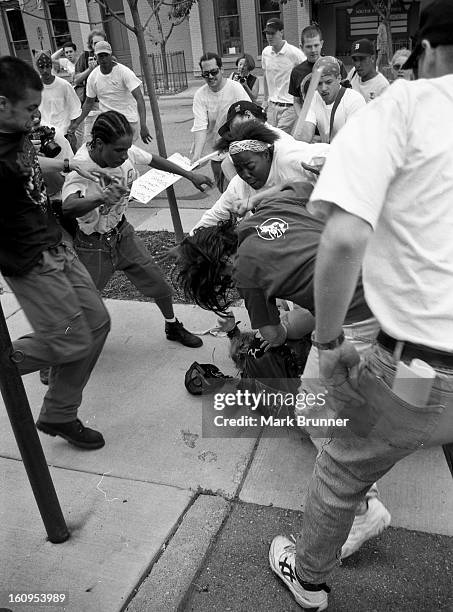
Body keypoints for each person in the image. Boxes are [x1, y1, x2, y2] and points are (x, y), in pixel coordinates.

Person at [268, 0, 453, 608]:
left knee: (344, 465)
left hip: (420, 370)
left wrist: (325, 345)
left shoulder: (403, 106)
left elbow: (344, 237)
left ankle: (310, 575)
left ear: (420, 52)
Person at [178, 181, 389, 554]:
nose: (227, 284)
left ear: (220, 268)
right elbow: (304, 185)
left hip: (357, 307)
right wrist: (263, 198)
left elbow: (274, 335)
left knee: (312, 411)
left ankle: (365, 506)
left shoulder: (243, 271)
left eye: (220, 282)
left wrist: (265, 324)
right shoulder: (269, 208)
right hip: (385, 271)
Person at [0, 55, 111, 451]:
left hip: (55, 242)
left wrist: (72, 166)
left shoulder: (14, 134)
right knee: (70, 341)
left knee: (96, 324)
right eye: (30, 108)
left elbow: (30, 164)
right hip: (30, 262)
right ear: (1, 103)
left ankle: (60, 413)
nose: (36, 116)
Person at [62, 110, 212, 348]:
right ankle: (58, 352)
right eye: (119, 151)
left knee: (159, 284)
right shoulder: (82, 166)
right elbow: (68, 206)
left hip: (123, 234)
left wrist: (189, 174)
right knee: (81, 304)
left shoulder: (125, 150)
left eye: (126, 149)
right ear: (99, 144)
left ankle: (172, 325)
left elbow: (154, 160)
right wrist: (100, 197)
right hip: (93, 245)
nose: (124, 155)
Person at [190, 121, 329, 233]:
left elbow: (297, 185)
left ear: (266, 155)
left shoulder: (293, 159)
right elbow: (215, 217)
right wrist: (187, 244)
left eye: (250, 167)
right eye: (238, 168)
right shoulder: (239, 185)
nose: (245, 175)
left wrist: (331, 170)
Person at [190, 52, 250, 193]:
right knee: (226, 194)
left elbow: (250, 115)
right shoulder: (200, 95)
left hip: (239, 150)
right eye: (206, 74)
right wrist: (197, 155)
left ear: (221, 70)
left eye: (214, 72)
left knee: (245, 192)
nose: (210, 77)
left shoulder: (235, 88)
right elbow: (200, 127)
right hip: (216, 153)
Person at [71, 42, 152, 145]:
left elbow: (139, 98)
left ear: (111, 55)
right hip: (109, 122)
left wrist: (143, 125)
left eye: (106, 55)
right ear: (96, 57)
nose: (103, 59)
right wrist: (76, 124)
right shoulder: (93, 76)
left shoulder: (124, 72)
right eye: (101, 56)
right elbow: (89, 102)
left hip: (128, 121)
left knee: (122, 152)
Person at [218, 100, 294, 183]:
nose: (232, 131)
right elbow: (226, 164)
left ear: (248, 115)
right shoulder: (247, 142)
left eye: (232, 125)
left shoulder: (280, 142)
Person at [294, 57, 365, 144]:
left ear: (339, 78)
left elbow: (355, 142)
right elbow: (303, 137)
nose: (323, 88)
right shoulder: (313, 97)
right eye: (319, 83)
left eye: (328, 82)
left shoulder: (355, 100)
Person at [288, 24, 347, 116]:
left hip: (334, 119)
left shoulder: (336, 64)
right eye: (308, 46)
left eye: (316, 45)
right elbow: (296, 101)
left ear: (322, 44)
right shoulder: (296, 72)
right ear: (301, 47)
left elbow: (346, 94)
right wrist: (302, 119)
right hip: (310, 123)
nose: (313, 50)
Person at [261, 18, 306, 133]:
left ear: (281, 32)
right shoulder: (266, 52)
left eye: (273, 33)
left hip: (289, 107)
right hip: (271, 106)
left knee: (280, 140)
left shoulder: (294, 53)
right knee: (269, 139)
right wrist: (266, 99)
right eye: (267, 33)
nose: (269, 36)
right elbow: (265, 75)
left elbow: (308, 73)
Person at [35, 50, 81, 153]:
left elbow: (75, 109)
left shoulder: (64, 85)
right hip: (45, 134)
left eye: (47, 66)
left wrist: (71, 130)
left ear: (51, 66)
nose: (45, 70)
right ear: (37, 68)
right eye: (41, 67)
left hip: (64, 133)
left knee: (70, 163)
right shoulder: (34, 87)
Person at [347, 38, 389, 102]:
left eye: (362, 59)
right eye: (355, 60)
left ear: (372, 58)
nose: (357, 64)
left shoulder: (383, 86)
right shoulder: (354, 72)